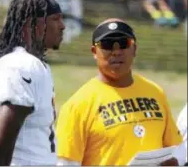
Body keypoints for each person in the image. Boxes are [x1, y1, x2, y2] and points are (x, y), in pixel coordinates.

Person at [56, 18, 183, 166]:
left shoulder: (155, 93)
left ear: (134, 49)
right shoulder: (77, 106)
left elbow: (176, 150)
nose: (116, 52)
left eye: (123, 44)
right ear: (94, 52)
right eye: (107, 45)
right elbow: (66, 164)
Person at [0, 0, 65, 166]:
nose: (62, 26)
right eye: (55, 19)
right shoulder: (22, 65)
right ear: (32, 24)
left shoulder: (33, 64)